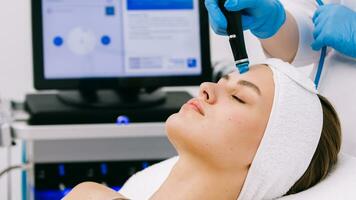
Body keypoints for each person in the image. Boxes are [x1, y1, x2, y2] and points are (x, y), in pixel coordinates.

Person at [63, 60, 341, 200]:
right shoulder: (90, 195)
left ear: (271, 157)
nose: (207, 88)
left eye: (238, 97)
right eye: (221, 81)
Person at [205, 0, 356, 155]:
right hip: (322, 142)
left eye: (239, 98)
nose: (204, 88)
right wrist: (273, 23)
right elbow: (317, 32)